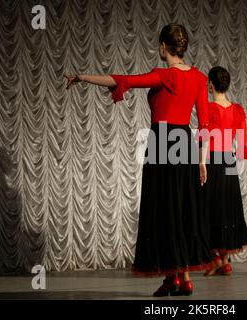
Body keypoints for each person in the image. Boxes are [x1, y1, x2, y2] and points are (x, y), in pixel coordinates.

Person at [65, 23, 212, 296]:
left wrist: (83, 77)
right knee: (181, 210)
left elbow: (123, 80)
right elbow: (204, 125)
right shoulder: (200, 79)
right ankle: (182, 278)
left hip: (163, 142)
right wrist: (202, 161)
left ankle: (172, 277)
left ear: (163, 47)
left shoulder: (164, 75)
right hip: (186, 145)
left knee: (163, 210)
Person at [202, 66, 247, 276]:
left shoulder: (209, 108)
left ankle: (215, 258)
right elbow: (241, 145)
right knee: (225, 208)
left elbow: (204, 138)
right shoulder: (238, 110)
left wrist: (200, 163)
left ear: (211, 84)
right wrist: (235, 168)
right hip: (229, 161)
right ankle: (224, 260)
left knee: (208, 208)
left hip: (211, 160)